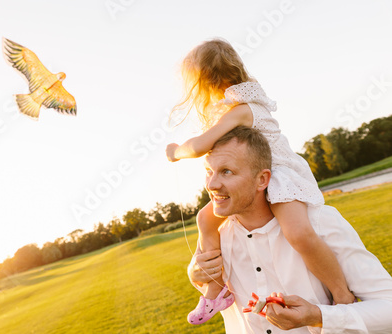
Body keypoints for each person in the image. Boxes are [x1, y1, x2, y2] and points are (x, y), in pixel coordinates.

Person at [165, 39, 354, 324]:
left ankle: (342, 295)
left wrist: (176, 152)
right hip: (250, 179)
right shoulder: (229, 109)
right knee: (206, 220)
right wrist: (195, 270)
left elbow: (200, 145)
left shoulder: (245, 108)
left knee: (298, 233)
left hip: (278, 176)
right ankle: (216, 292)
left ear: (204, 82)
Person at [188, 126, 392, 333]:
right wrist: (195, 276)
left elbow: (388, 308)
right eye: (208, 171)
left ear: (262, 180)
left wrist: (319, 316)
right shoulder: (214, 235)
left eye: (227, 171)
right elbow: (208, 285)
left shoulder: (320, 222)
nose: (211, 184)